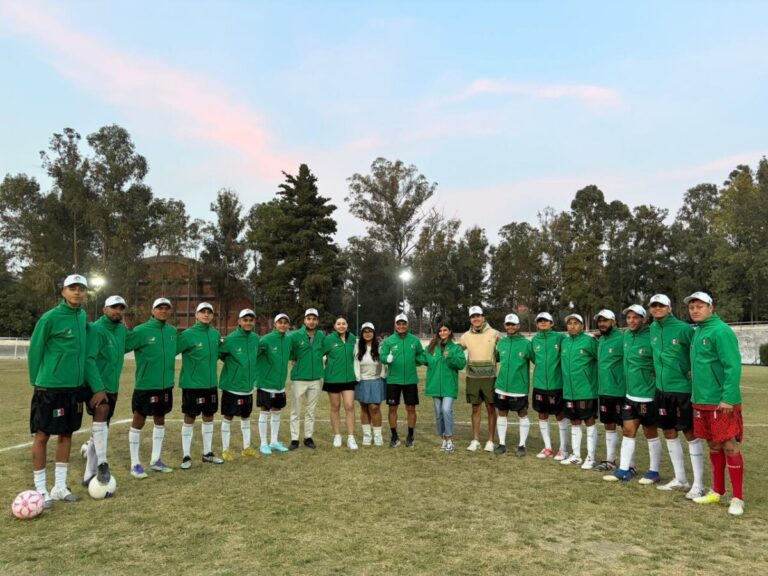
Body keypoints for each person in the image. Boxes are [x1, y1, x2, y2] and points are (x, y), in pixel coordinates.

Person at [28, 274, 100, 506]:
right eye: (72, 288)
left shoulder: (82, 316)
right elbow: (35, 349)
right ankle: (40, 489)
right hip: (49, 387)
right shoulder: (50, 318)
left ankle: (59, 486)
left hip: (74, 388)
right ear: (63, 292)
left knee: (66, 434)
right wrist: (36, 381)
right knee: (42, 435)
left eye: (81, 288)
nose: (77, 292)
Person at [685, 292, 745, 516]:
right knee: (713, 445)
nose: (695, 310)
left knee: (729, 445)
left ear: (711, 308)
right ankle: (717, 491)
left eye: (700, 306)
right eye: (692, 307)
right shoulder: (697, 331)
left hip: (721, 401)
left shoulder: (721, 331)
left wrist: (728, 397)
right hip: (701, 400)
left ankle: (737, 497)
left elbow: (733, 365)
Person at [648, 293, 705, 499]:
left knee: (690, 433)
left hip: (682, 390)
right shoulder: (652, 328)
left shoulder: (684, 329)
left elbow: (697, 353)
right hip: (662, 390)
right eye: (654, 306)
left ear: (669, 308)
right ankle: (680, 479)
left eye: (661, 305)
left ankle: (698, 484)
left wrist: (690, 374)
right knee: (669, 431)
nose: (657, 309)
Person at [604, 305, 661, 484]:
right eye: (629, 317)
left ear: (644, 319)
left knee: (650, 433)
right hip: (630, 395)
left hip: (648, 395)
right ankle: (623, 469)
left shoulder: (652, 335)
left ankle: (654, 471)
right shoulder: (626, 335)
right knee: (628, 431)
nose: (631, 321)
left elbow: (660, 358)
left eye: (635, 317)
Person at [125, 297, 177, 478]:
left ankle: (156, 460)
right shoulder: (141, 331)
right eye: (160, 308)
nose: (163, 311)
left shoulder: (172, 331)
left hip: (165, 386)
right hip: (146, 385)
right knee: (138, 420)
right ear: (153, 311)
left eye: (166, 308)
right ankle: (135, 464)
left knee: (160, 419)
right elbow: (123, 346)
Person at [81, 295, 128, 487]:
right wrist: (98, 388)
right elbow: (89, 359)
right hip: (96, 386)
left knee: (101, 427)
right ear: (104, 309)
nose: (118, 311)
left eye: (121, 308)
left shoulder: (121, 330)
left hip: (112, 386)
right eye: (114, 307)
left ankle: (88, 474)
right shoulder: (95, 329)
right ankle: (102, 462)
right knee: (102, 412)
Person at [176, 302, 224, 469]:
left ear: (212, 316)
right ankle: (186, 456)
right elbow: (171, 351)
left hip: (210, 384)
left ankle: (207, 453)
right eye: (202, 311)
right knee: (190, 417)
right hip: (192, 385)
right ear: (196, 315)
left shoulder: (215, 334)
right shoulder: (187, 335)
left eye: (209, 312)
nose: (206, 314)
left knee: (209, 416)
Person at [218, 309, 260, 461]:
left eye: (251, 320)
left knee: (246, 417)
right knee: (228, 417)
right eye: (245, 320)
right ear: (239, 322)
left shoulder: (256, 338)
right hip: (232, 386)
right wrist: (234, 368)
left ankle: (247, 448)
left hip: (248, 387)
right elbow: (221, 354)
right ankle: (225, 450)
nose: (248, 323)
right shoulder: (231, 339)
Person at [381, 313, 427, 448]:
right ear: (395, 325)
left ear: (407, 325)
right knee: (392, 408)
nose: (401, 326)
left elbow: (421, 355)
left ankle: (410, 436)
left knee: (411, 408)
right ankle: (394, 436)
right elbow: (382, 356)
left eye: (404, 323)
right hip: (393, 380)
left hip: (410, 380)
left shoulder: (414, 340)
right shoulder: (388, 341)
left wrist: (418, 361)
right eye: (399, 323)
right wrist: (386, 359)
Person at [559, 313, 599, 469]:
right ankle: (576, 456)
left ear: (582, 326)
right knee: (574, 421)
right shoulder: (565, 342)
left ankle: (591, 457)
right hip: (569, 391)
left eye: (576, 323)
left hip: (586, 390)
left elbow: (600, 359)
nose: (572, 326)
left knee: (589, 421)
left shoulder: (590, 341)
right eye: (570, 323)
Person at [460, 306, 500, 452]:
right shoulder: (465, 336)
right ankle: (476, 440)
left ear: (483, 317)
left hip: (490, 377)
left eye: (478, 316)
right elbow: (457, 350)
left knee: (491, 408)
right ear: (470, 319)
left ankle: (490, 440)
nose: (476, 319)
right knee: (475, 408)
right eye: (473, 316)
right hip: (472, 378)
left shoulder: (494, 333)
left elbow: (506, 348)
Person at [493, 314, 534, 457]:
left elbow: (536, 360)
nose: (510, 327)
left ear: (518, 326)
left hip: (519, 388)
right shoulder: (501, 343)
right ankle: (502, 444)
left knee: (522, 413)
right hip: (501, 386)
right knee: (502, 413)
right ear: (505, 326)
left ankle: (522, 445)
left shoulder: (526, 344)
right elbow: (497, 358)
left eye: (513, 324)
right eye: (508, 324)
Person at [531, 312, 569, 460]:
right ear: (537, 324)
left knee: (560, 415)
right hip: (539, 384)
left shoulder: (560, 338)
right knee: (542, 414)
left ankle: (563, 449)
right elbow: (534, 359)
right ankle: (548, 447)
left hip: (557, 384)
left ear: (552, 323)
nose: (543, 323)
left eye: (546, 320)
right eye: (540, 321)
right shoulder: (535, 340)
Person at [424, 323, 466, 453]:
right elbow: (423, 359)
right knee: (438, 413)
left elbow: (461, 364)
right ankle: (443, 438)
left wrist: (450, 357)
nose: (442, 332)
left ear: (450, 331)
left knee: (446, 410)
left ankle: (450, 439)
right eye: (440, 331)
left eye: (445, 330)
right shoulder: (431, 348)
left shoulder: (456, 348)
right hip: (435, 385)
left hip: (449, 385)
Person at [287, 308, 325, 450]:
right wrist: (293, 358)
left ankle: (308, 437)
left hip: (315, 379)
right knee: (295, 410)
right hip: (299, 378)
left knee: (311, 410)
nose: (311, 321)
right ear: (304, 320)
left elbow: (325, 351)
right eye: (309, 319)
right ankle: (294, 439)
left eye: (314, 319)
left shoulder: (321, 336)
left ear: (317, 321)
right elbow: (287, 350)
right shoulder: (295, 335)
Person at [256, 313, 292, 454]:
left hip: (280, 384)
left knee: (277, 412)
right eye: (280, 322)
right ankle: (263, 443)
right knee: (265, 411)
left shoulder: (288, 340)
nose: (283, 325)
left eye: (285, 322)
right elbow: (254, 355)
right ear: (275, 324)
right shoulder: (266, 340)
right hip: (266, 383)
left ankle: (274, 442)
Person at [594, 309, 624, 472]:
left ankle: (630, 463)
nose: (602, 324)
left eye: (605, 320)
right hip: (604, 390)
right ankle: (610, 460)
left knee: (627, 429)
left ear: (614, 322)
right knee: (609, 425)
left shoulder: (623, 338)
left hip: (620, 391)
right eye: (600, 321)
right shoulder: (601, 340)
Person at [322, 317, 358, 449]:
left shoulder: (353, 339)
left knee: (349, 406)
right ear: (335, 326)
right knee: (335, 406)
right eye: (339, 324)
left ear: (347, 325)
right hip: (332, 379)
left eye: (344, 323)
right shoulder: (328, 340)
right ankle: (337, 435)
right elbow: (318, 353)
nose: (341, 326)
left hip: (349, 379)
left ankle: (351, 437)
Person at [354, 322, 387, 447]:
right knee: (364, 408)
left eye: (370, 331)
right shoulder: (357, 346)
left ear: (374, 333)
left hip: (376, 380)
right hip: (361, 381)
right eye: (365, 331)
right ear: (362, 333)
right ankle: (367, 435)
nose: (367, 334)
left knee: (374, 407)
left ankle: (378, 435)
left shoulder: (380, 346)